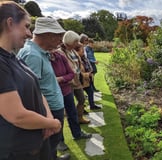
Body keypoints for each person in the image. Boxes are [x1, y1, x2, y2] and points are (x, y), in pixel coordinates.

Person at [0, 2, 61, 159]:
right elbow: (17, 116)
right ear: (10, 23)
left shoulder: (13, 57)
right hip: (18, 151)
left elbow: (38, 90)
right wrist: (52, 123)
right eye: (26, 26)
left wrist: (47, 118)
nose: (29, 34)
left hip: (37, 143)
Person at [17, 17, 70, 160]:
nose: (61, 40)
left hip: (52, 107)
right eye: (58, 36)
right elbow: (32, 91)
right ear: (47, 34)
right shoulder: (33, 55)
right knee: (48, 144)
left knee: (51, 144)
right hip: (48, 110)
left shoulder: (39, 52)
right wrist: (47, 117)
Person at [75, 44, 102, 110]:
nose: (83, 51)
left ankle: (92, 106)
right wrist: (87, 74)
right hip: (80, 81)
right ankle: (81, 110)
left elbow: (88, 65)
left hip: (86, 80)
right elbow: (78, 72)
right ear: (76, 51)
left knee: (90, 92)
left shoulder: (83, 57)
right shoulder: (76, 60)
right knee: (81, 98)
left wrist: (90, 72)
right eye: (82, 50)